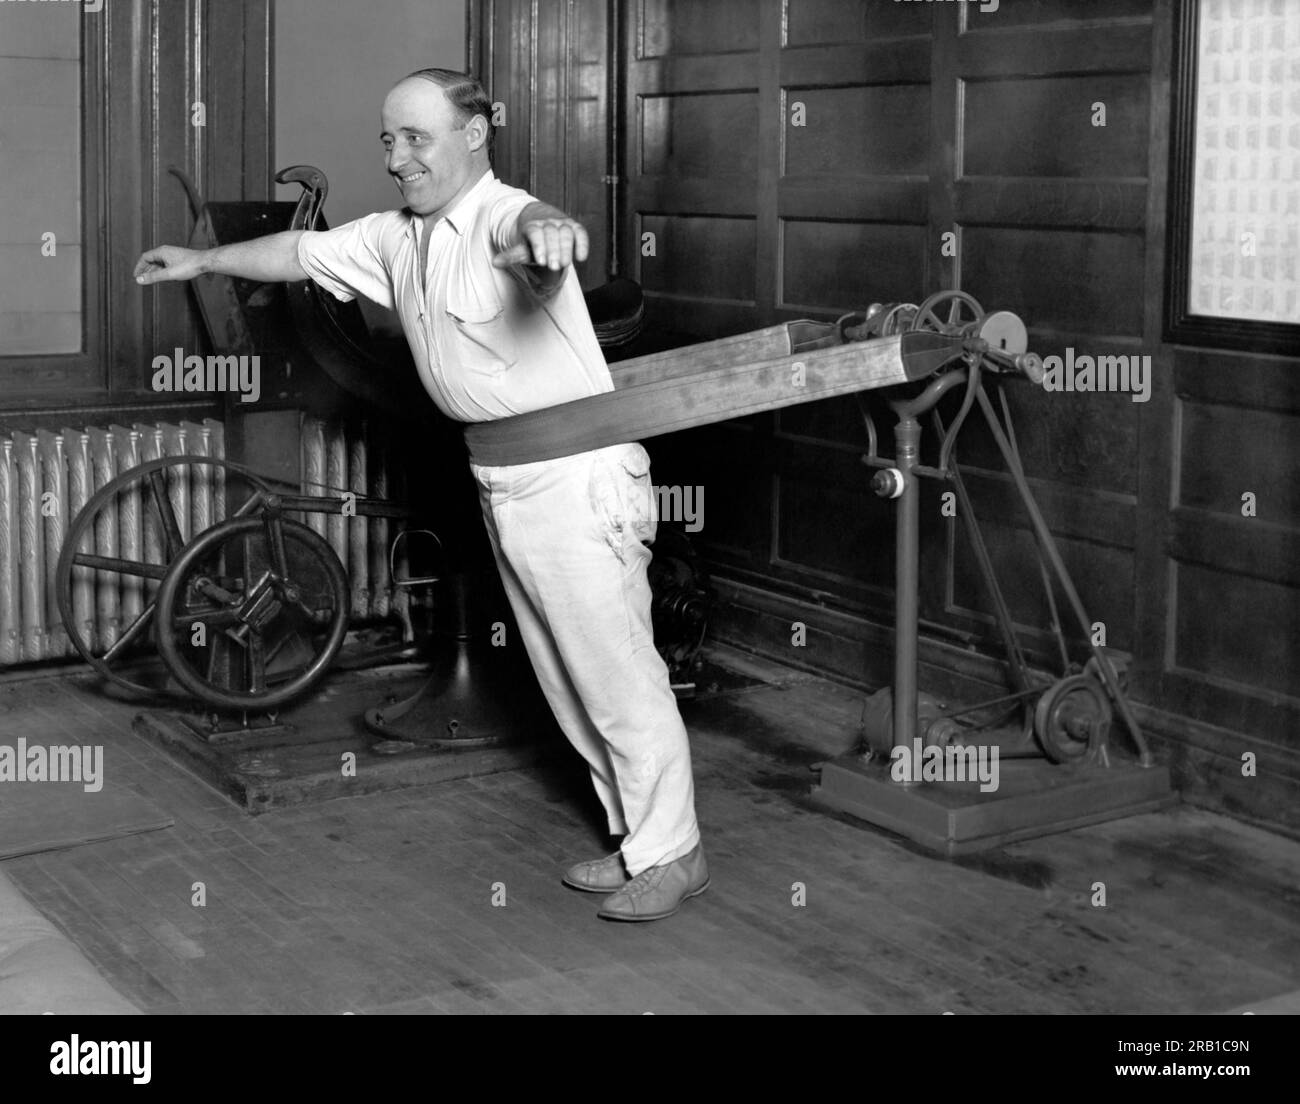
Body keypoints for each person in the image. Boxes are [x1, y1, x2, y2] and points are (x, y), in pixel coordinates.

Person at [133, 68, 707, 922]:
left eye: (418, 138)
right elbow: (298, 253)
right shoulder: (399, 237)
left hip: (574, 475)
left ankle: (674, 853)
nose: (399, 158)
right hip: (505, 476)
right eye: (389, 140)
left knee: (616, 673)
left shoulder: (501, 218)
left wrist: (548, 236)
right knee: (564, 677)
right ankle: (641, 843)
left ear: (475, 134)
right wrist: (204, 257)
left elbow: (532, 231)